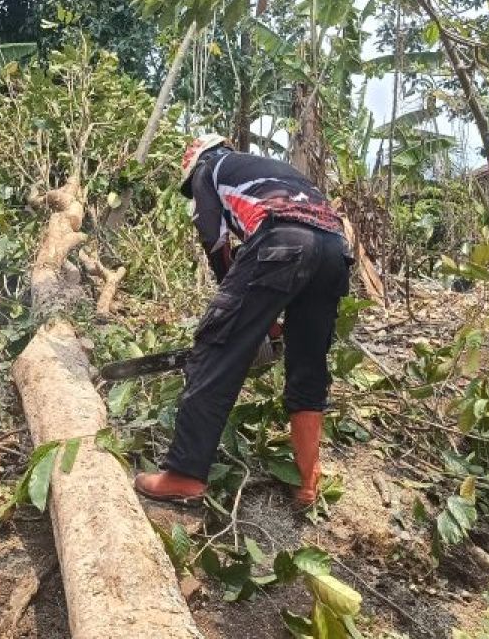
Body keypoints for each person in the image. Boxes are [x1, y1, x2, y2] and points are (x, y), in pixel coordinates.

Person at [134, 134, 352, 506]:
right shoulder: (272, 170)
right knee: (308, 364)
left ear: (193, 161)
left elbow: (215, 242)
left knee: (216, 344)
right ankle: (308, 481)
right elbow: (307, 247)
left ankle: (184, 475)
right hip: (334, 248)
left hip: (281, 237)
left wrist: (233, 319)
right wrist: (265, 323)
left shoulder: (208, 168)